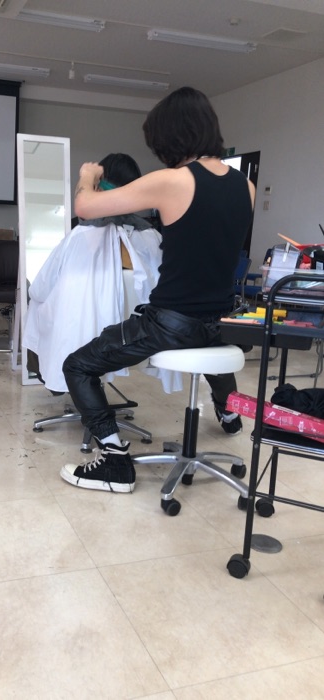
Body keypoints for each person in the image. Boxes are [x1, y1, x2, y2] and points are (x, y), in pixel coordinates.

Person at [60, 86, 256, 493]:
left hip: (172, 323)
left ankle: (114, 462)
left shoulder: (172, 181)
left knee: (77, 365)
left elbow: (85, 208)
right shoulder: (246, 186)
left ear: (170, 136)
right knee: (208, 339)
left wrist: (87, 177)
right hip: (221, 322)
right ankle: (229, 414)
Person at [22, 153, 181, 395]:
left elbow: (40, 288)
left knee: (35, 304)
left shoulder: (83, 236)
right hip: (137, 336)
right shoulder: (152, 236)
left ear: (97, 186)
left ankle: (54, 377)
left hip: (85, 337)